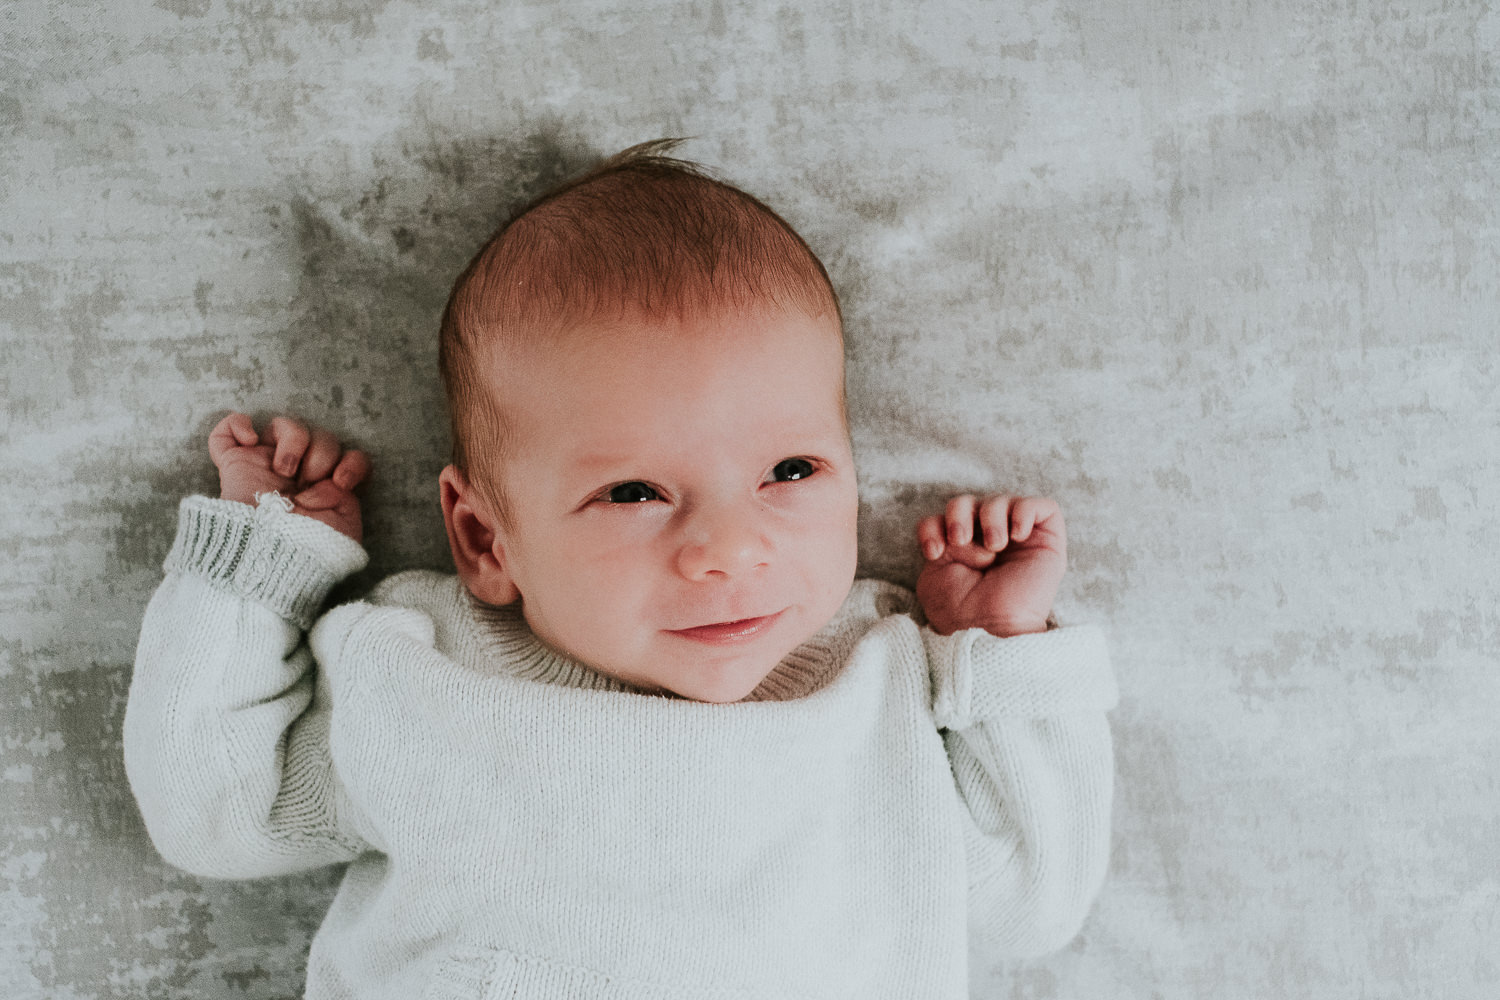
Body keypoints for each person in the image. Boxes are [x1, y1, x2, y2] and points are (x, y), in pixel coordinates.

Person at [124, 140, 1117, 999]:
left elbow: (1031, 895)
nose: (730, 550)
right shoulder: (424, 675)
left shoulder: (874, 681)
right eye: (635, 492)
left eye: (791, 470)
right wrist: (261, 566)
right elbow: (216, 811)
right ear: (484, 540)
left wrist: (1004, 653)